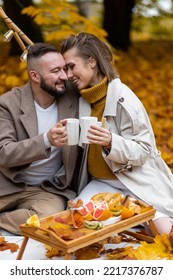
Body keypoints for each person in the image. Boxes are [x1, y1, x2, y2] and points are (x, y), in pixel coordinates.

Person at [61, 32, 173, 234]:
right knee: (76, 226)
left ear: (92, 62)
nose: (68, 75)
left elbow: (144, 150)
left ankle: (135, 212)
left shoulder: (124, 100)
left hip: (136, 183)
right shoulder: (82, 98)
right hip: (101, 184)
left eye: (71, 66)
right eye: (65, 68)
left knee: (166, 235)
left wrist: (111, 141)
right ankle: (125, 214)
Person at [0, 43, 79, 235]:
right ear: (35, 76)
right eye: (56, 71)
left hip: (46, 190)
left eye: (64, 68)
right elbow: (3, 153)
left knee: (49, 220)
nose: (65, 76)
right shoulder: (7, 103)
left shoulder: (74, 97)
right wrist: (46, 140)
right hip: (7, 184)